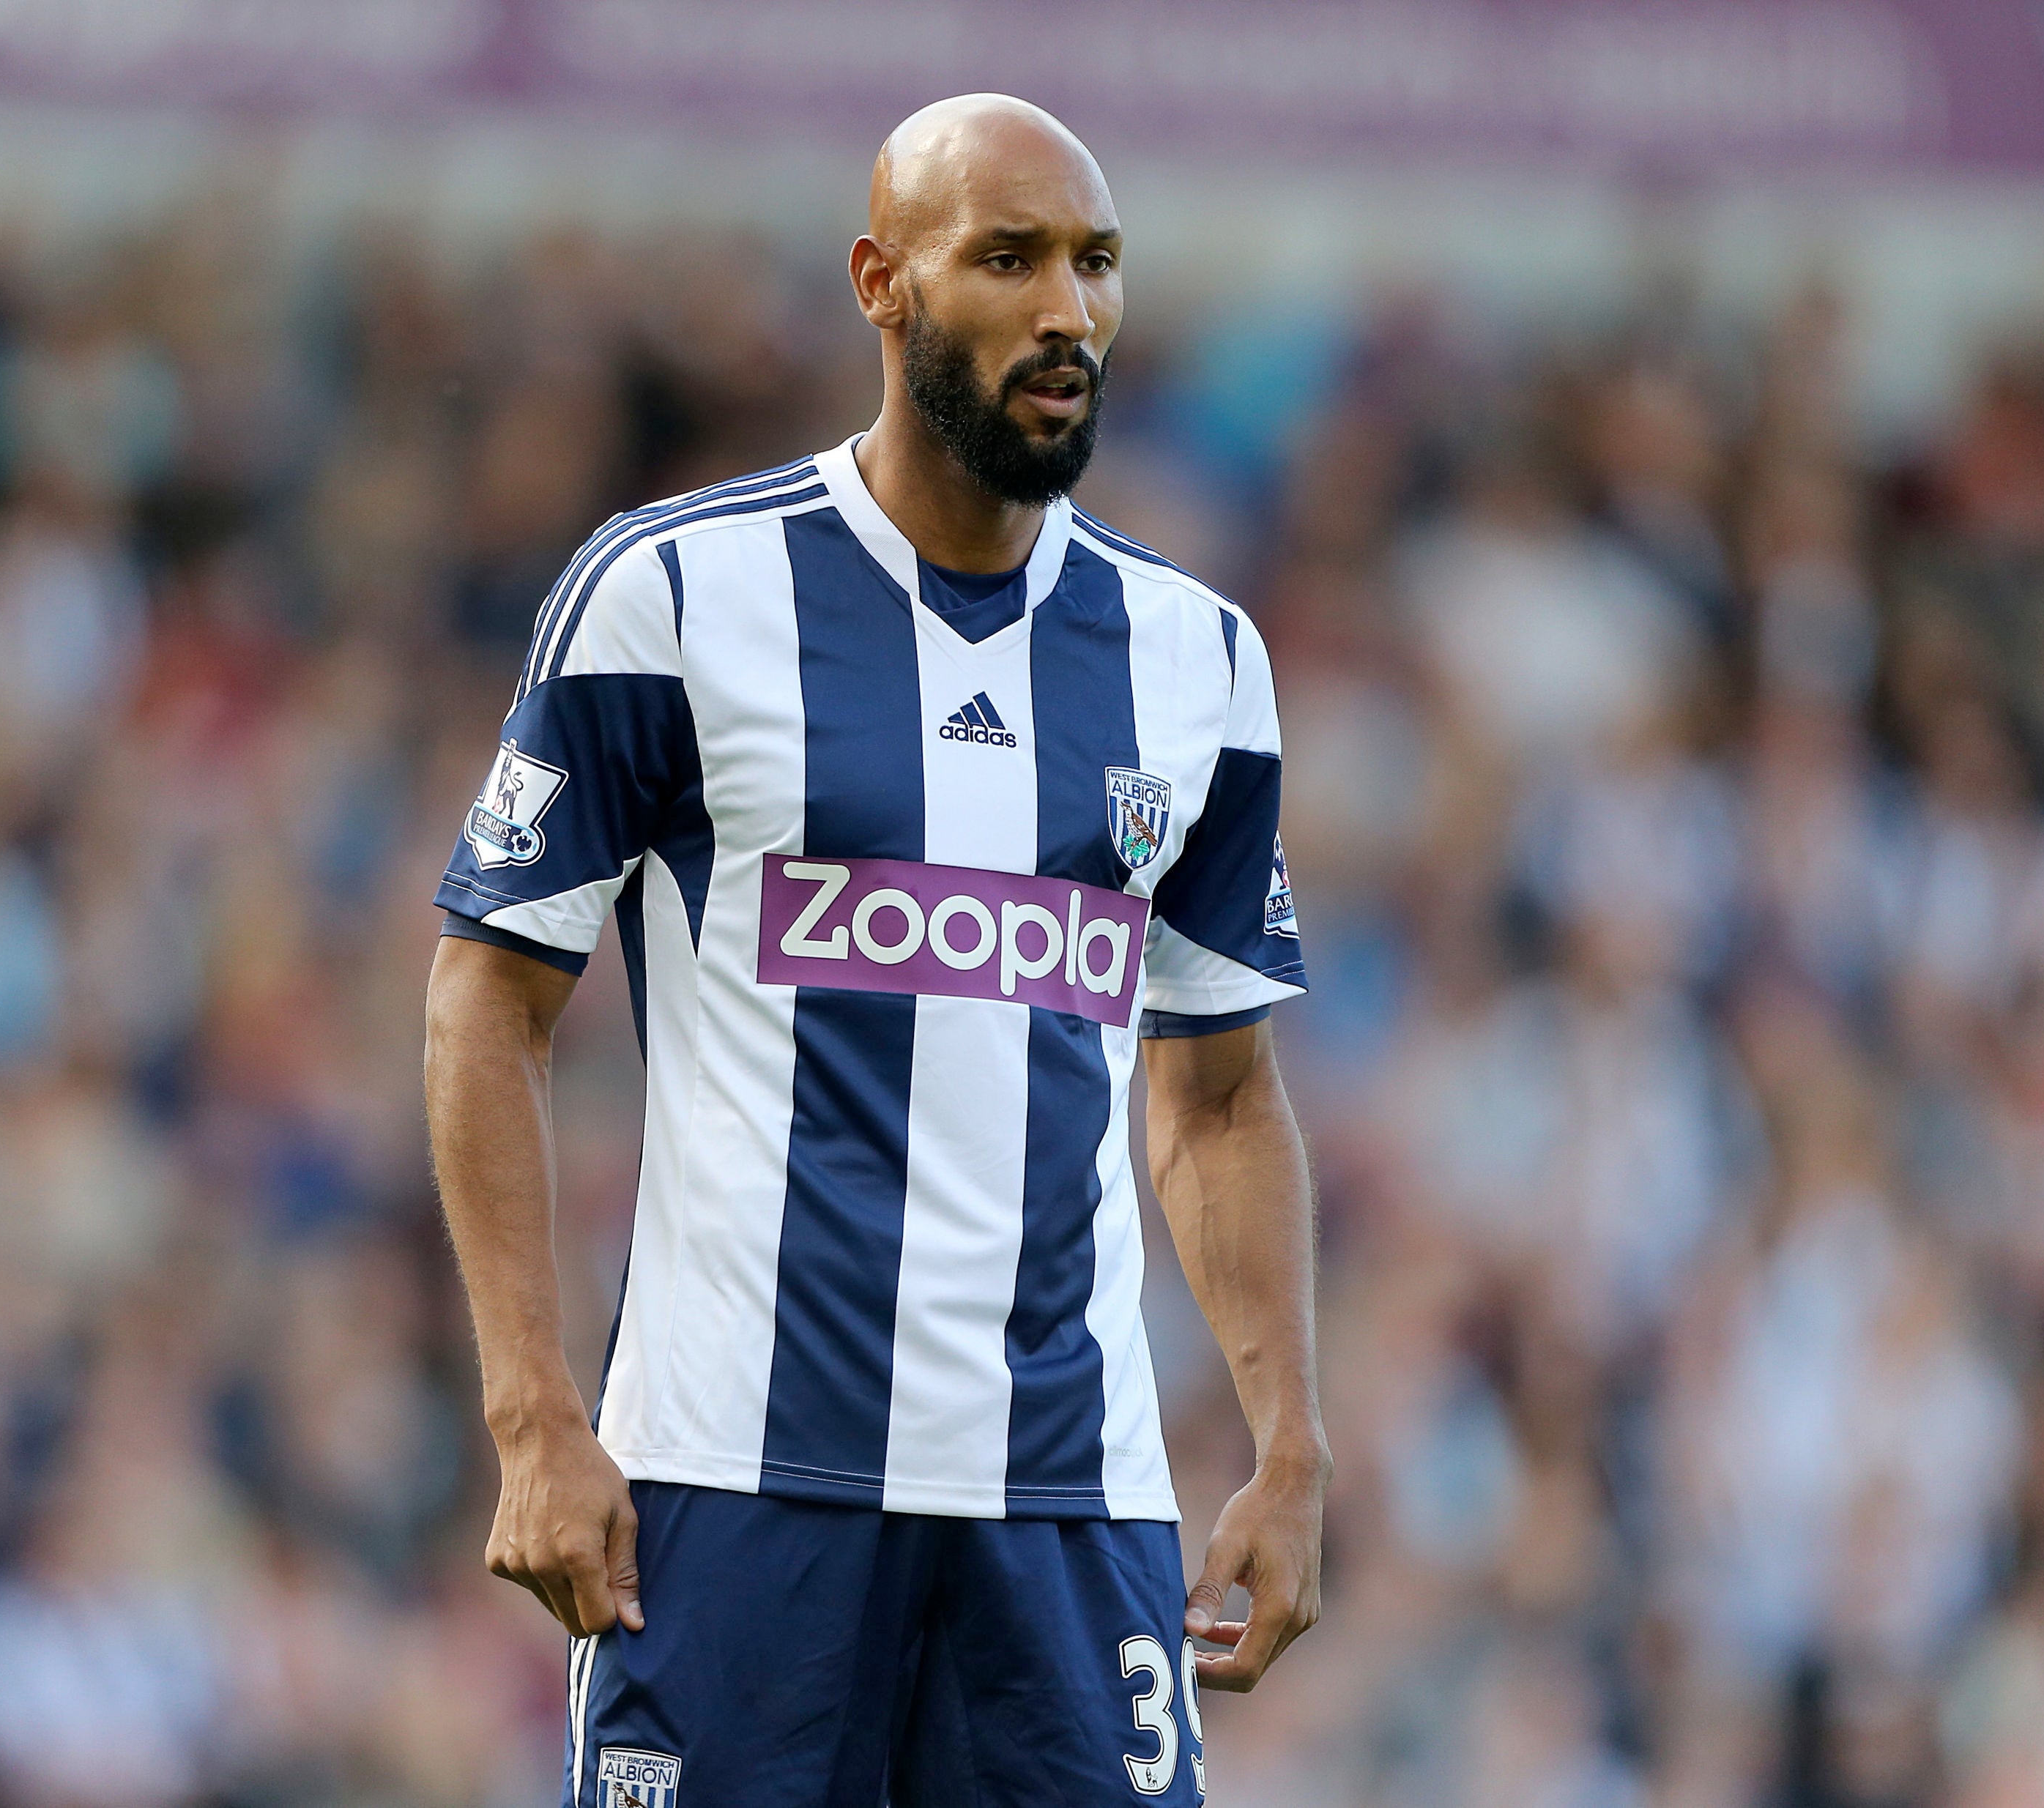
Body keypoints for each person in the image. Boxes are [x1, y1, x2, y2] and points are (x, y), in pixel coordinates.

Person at [423, 93, 1326, 1807]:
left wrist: (1289, 1442)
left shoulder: (1194, 655)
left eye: (1094, 263)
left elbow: (1214, 1093)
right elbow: (488, 1000)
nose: (1066, 310)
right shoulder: (674, 594)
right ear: (882, 283)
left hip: (1069, 1502)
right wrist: (532, 1411)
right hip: (736, 1484)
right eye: (1007, 259)